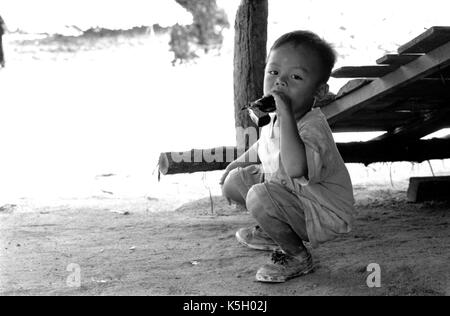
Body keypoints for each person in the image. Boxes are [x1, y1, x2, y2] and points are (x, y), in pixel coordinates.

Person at [220, 30, 356, 283]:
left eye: (295, 77)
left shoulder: (311, 128)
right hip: (293, 192)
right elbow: (264, 145)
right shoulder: (275, 118)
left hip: (322, 212)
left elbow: (295, 168)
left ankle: (296, 256)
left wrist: (283, 112)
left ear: (320, 90)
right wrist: (235, 165)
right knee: (236, 181)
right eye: (273, 73)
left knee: (259, 196)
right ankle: (275, 231)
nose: (279, 83)